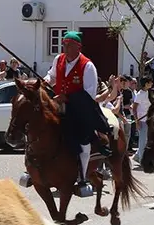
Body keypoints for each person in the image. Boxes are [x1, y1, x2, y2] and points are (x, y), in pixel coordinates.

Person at [43, 30, 114, 196]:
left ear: (78, 47)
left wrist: (66, 97)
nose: (65, 48)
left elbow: (89, 94)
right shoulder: (58, 59)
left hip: (79, 110)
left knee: (83, 143)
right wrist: (45, 81)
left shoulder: (87, 66)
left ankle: (82, 177)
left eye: (69, 45)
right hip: (58, 106)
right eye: (64, 44)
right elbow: (52, 76)